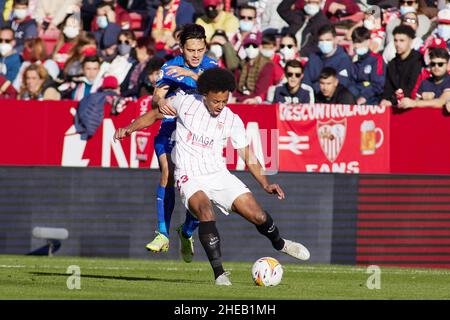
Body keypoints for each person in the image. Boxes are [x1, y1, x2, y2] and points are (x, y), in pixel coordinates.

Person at [114, 67, 311, 285]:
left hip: (219, 174)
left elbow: (247, 154)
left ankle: (280, 244)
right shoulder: (186, 103)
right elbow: (154, 114)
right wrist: (128, 129)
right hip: (189, 175)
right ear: (204, 94)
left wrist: (265, 183)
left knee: (259, 216)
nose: (220, 106)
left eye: (224, 101)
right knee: (206, 212)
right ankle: (219, 274)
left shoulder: (232, 119)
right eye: (216, 101)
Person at [147, 23, 218, 261]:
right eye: (190, 50)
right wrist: (159, 101)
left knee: (201, 189)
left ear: (205, 47)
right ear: (181, 49)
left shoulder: (212, 66)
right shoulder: (170, 66)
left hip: (201, 136)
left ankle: (186, 231)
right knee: (167, 173)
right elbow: (158, 93)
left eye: (199, 49)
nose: (196, 55)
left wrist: (191, 75)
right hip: (172, 128)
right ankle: (163, 234)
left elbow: (215, 90)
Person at [380, 25, 425, 108]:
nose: (397, 44)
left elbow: (412, 87)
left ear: (410, 41)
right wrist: (385, 100)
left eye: (402, 40)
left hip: (412, 105)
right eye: (395, 40)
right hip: (393, 105)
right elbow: (388, 87)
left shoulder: (418, 60)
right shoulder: (392, 63)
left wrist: (392, 101)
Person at [302, 24, 353, 93]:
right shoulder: (313, 58)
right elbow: (305, 81)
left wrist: (316, 87)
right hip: (312, 96)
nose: (324, 43)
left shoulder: (344, 59)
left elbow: (341, 83)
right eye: (321, 40)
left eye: (328, 40)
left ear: (335, 40)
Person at [233, 32, 275, 104]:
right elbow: (235, 86)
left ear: (260, 47)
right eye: (248, 46)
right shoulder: (241, 63)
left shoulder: (267, 65)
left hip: (255, 102)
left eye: (254, 46)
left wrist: (238, 100)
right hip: (239, 99)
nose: (250, 48)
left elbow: (260, 91)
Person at [349, 27, 386, 105]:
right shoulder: (354, 61)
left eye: (360, 42)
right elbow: (351, 82)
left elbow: (379, 84)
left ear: (368, 41)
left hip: (372, 99)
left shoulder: (376, 59)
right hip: (356, 96)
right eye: (355, 42)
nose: (357, 46)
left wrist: (364, 97)